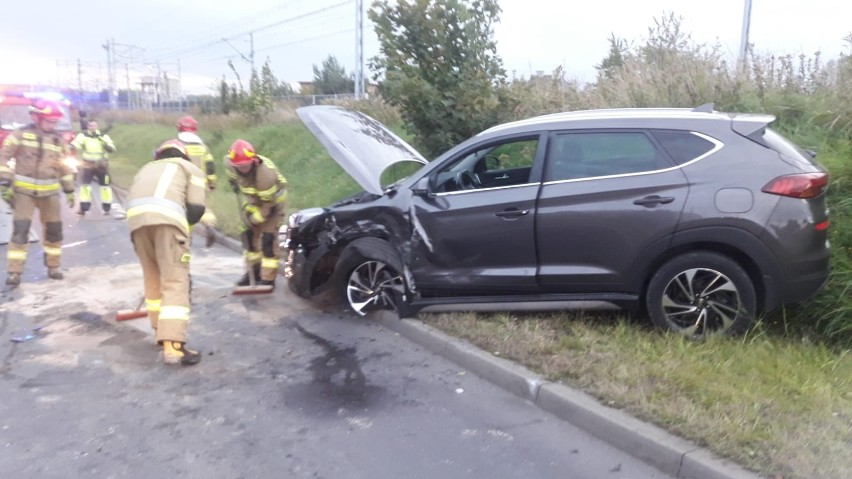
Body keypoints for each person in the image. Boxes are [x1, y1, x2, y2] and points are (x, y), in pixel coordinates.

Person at [126, 139, 207, 365]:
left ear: (158, 155)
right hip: (168, 224)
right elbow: (197, 207)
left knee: (152, 276)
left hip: (137, 224)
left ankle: (159, 333)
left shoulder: (146, 168)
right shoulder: (190, 168)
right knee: (174, 280)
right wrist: (184, 228)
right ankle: (174, 346)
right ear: (185, 155)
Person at [0, 99, 76, 286]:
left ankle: (53, 267)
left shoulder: (59, 141)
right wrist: (4, 183)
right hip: (24, 192)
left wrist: (69, 190)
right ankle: (15, 272)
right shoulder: (19, 135)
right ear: (36, 117)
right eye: (49, 121)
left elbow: (65, 167)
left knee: (54, 231)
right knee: (20, 231)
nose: (53, 125)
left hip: (50, 194)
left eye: (55, 122)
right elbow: (3, 157)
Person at [225, 139, 287, 289]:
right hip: (254, 202)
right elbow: (230, 171)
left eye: (246, 166)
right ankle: (252, 272)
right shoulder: (231, 163)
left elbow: (267, 208)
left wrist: (253, 220)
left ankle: (267, 279)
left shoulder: (265, 176)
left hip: (272, 206)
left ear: (253, 161)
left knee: (267, 241)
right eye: (239, 167)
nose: (243, 169)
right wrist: (233, 182)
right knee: (248, 237)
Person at [176, 115, 218, 246]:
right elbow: (210, 166)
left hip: (183, 185)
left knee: (185, 212)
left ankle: (186, 239)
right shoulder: (203, 147)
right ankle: (210, 225)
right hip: (201, 185)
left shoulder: (178, 145)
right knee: (204, 208)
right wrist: (212, 183)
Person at [71, 119, 116, 216]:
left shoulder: (103, 136)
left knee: (105, 187)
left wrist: (108, 146)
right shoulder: (83, 135)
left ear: (97, 126)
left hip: (101, 165)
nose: (92, 128)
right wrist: (71, 146)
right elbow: (77, 143)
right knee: (85, 186)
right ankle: (84, 208)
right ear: (88, 127)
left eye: (94, 125)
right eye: (90, 126)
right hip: (88, 164)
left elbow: (112, 147)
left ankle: (107, 208)